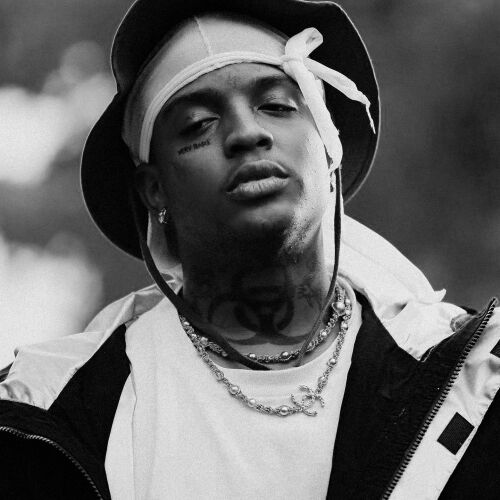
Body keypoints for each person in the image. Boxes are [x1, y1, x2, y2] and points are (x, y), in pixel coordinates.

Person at [0, 0, 499, 498]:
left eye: (277, 106)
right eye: (198, 124)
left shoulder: (478, 380)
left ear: (330, 148)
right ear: (154, 191)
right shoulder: (49, 409)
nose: (246, 133)